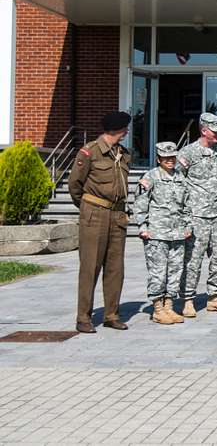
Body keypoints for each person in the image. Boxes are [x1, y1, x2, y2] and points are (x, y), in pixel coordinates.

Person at [69, 111, 132, 333]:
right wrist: (88, 207)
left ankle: (111, 314)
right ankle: (83, 317)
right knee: (90, 266)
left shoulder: (123, 154)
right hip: (95, 213)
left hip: (117, 215)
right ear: (115, 129)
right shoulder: (90, 152)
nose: (126, 131)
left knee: (115, 268)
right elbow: (74, 185)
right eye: (124, 128)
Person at [177, 112, 217, 317]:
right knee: (193, 259)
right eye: (214, 131)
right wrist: (184, 212)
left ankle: (214, 297)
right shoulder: (188, 152)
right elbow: (177, 181)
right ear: (203, 130)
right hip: (196, 215)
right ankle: (188, 299)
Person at [134, 141, 192, 325]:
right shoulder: (150, 177)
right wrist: (143, 227)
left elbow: (187, 205)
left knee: (175, 272)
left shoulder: (181, 178)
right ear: (159, 159)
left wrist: (188, 226)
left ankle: (169, 306)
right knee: (158, 272)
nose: (170, 161)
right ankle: (158, 309)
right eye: (166, 158)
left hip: (177, 234)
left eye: (172, 158)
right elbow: (140, 203)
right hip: (156, 234)